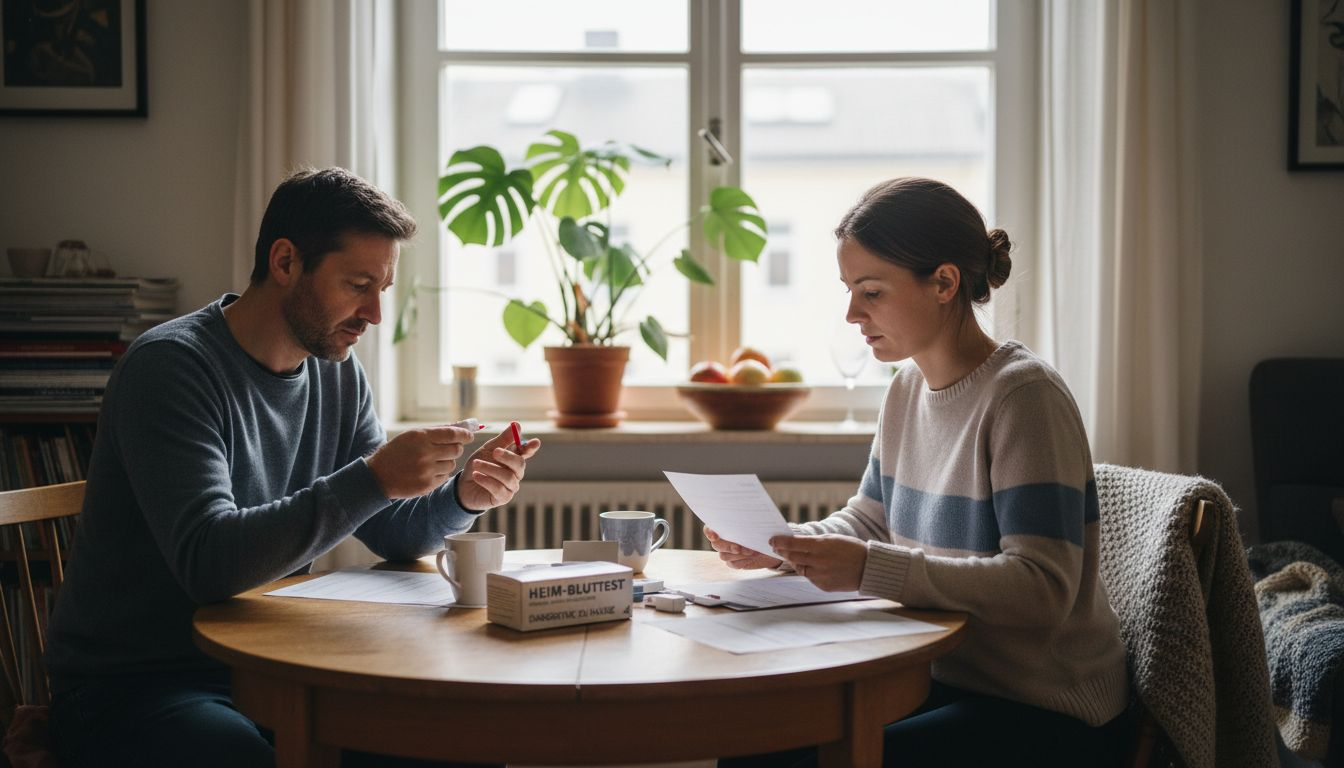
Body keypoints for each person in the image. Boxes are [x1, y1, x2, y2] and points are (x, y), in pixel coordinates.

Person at [45, 168, 540, 768]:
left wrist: (462, 495)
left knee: (462, 740)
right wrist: (376, 477)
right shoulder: (170, 369)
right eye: (358, 284)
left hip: (273, 666)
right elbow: (209, 563)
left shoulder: (337, 374)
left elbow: (390, 529)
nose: (375, 314)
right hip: (136, 684)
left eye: (382, 288)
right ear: (285, 262)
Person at [709, 178, 1130, 767]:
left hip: (1044, 707)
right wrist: (786, 546)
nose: (852, 314)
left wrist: (869, 568)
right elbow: (869, 521)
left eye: (872, 292)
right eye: (850, 291)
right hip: (938, 676)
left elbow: (1043, 590)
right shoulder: (907, 389)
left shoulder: (1023, 397)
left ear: (944, 283)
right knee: (750, 743)